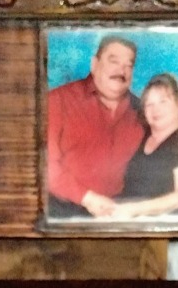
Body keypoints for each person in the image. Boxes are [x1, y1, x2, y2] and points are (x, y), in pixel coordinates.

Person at [45, 35, 144, 220]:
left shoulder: (143, 111)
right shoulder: (57, 101)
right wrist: (87, 198)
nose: (121, 71)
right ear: (94, 64)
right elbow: (44, 166)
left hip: (119, 213)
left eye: (128, 65)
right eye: (114, 61)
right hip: (62, 213)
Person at [109, 73, 178, 220]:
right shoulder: (143, 135)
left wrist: (133, 210)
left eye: (163, 102)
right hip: (122, 211)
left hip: (159, 220)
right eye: (149, 104)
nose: (156, 109)